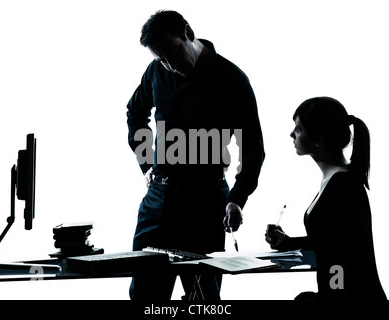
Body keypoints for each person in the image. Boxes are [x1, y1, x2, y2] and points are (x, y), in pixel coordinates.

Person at [127, 10, 264, 300]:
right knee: (144, 296)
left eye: (174, 54)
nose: (170, 65)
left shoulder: (232, 80)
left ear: (189, 32)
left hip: (205, 200)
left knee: (203, 299)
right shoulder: (156, 71)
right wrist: (145, 163)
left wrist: (238, 198)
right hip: (157, 201)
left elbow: (252, 148)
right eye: (160, 59)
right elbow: (135, 113)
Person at [265, 97, 386, 300]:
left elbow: (351, 257)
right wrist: (287, 242)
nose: (291, 134)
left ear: (318, 139)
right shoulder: (335, 180)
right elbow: (331, 241)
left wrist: (328, 296)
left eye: (298, 129)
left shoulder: (343, 185)